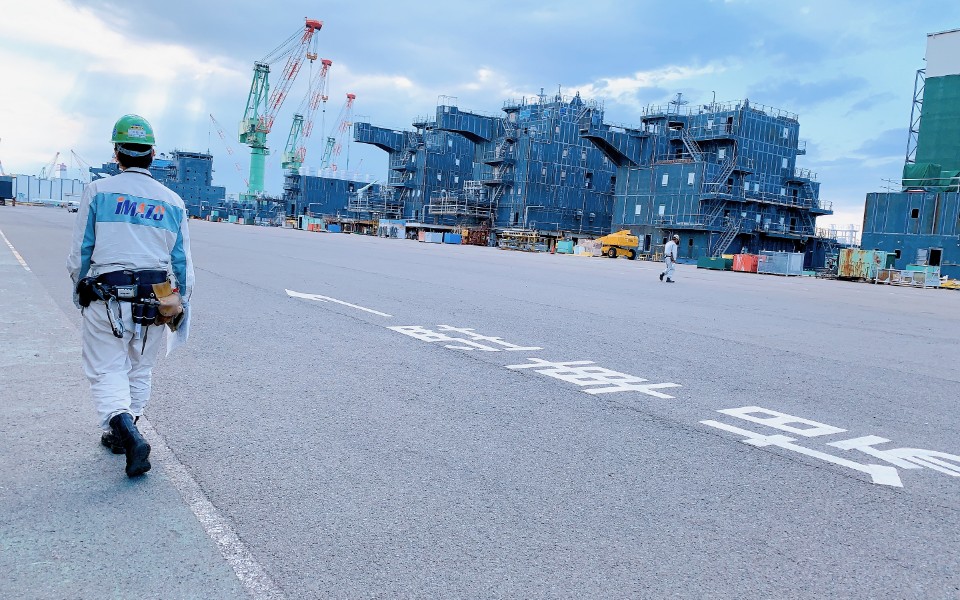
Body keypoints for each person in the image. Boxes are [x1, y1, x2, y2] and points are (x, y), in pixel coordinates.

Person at [66, 114, 194, 478]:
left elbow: (80, 254)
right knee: (140, 368)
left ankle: (124, 430)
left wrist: (80, 291)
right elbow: (183, 264)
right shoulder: (173, 202)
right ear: (152, 154)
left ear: (116, 153)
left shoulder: (98, 191)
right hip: (155, 298)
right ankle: (127, 432)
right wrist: (181, 304)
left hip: (107, 297)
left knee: (107, 369)